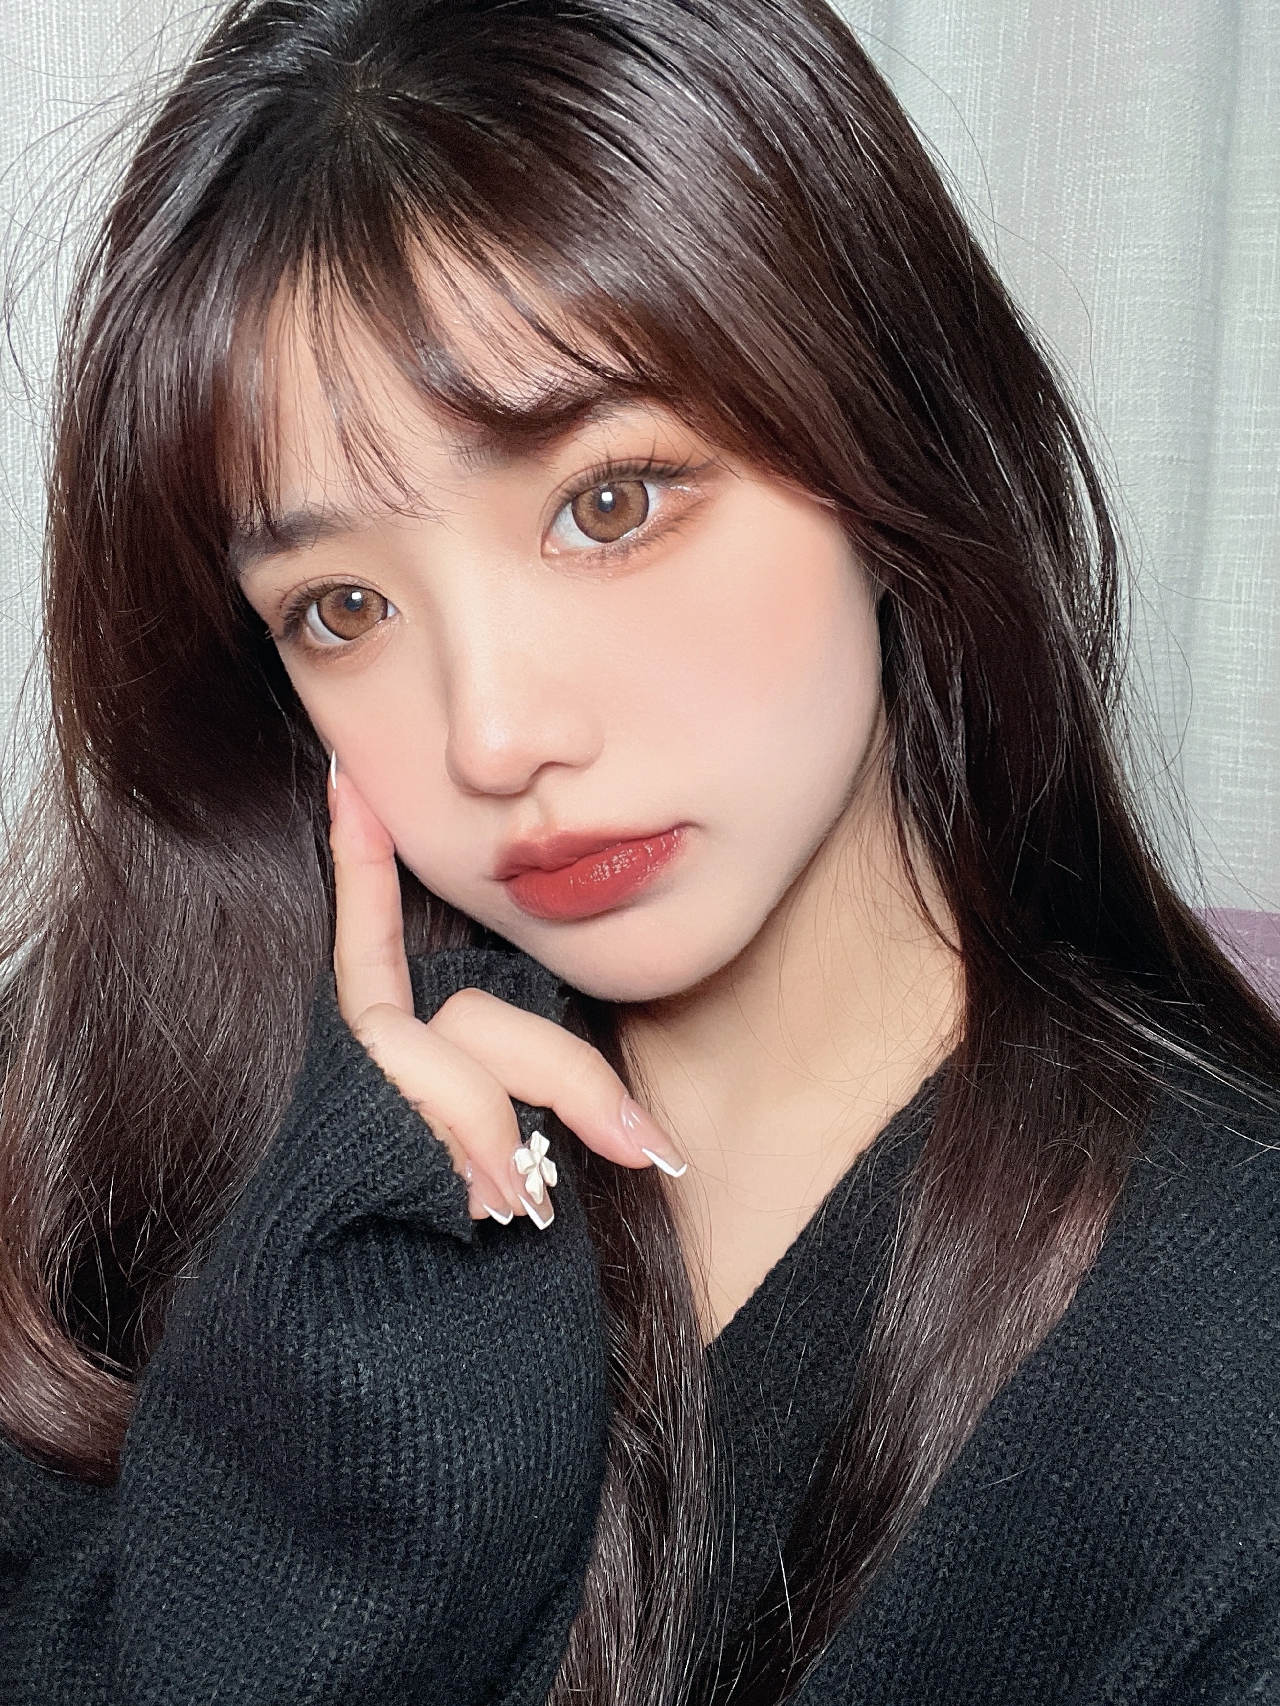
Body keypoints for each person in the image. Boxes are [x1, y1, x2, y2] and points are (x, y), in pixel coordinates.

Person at [0, 0, 1276, 1700]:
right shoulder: (105, 1098)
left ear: (883, 430)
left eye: (609, 503)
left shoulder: (1222, 1374)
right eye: (344, 606)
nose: (492, 735)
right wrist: (329, 1474)